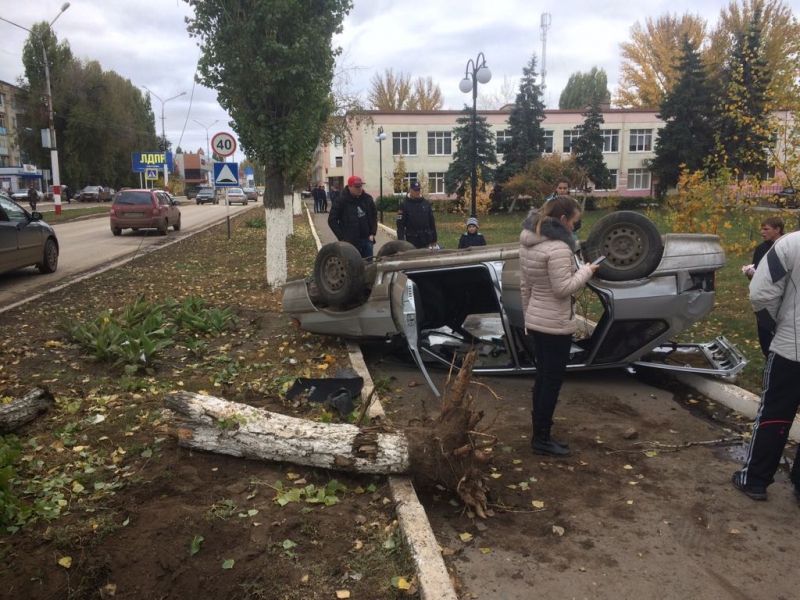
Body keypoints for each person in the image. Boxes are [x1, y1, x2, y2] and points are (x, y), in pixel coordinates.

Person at [519, 195, 600, 457]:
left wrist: (527, 318)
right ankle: (541, 438)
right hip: (555, 325)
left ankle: (539, 433)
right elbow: (563, 288)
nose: (576, 227)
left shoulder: (529, 242)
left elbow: (525, 286)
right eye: (576, 222)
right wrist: (587, 271)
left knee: (542, 378)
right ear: (563, 220)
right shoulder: (559, 249)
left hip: (537, 320)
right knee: (551, 382)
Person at [732, 230, 800, 505]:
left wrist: (775, 328)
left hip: (791, 349)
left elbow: (760, 293)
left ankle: (755, 480)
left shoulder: (791, 243)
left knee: (774, 415)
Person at [744, 217, 784, 356]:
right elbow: (756, 272)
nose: (762, 232)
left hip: (783, 298)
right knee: (765, 334)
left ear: (777, 230)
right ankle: (768, 359)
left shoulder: (785, 247)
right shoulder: (761, 249)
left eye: (766, 229)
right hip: (764, 299)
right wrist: (750, 274)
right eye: (762, 229)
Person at [328, 175, 377, 260]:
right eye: (357, 186)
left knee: (369, 266)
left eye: (361, 186)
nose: (360, 188)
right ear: (350, 187)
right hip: (350, 242)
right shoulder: (341, 201)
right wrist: (342, 238)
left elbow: (373, 216)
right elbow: (332, 220)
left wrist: (372, 233)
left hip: (367, 240)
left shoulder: (367, 199)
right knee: (353, 267)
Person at [397, 181, 437, 249]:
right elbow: (400, 225)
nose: (417, 192)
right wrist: (401, 242)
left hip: (425, 238)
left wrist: (434, 239)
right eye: (415, 190)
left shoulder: (426, 203)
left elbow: (432, 222)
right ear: (410, 190)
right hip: (412, 240)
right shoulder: (404, 205)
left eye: (418, 190)